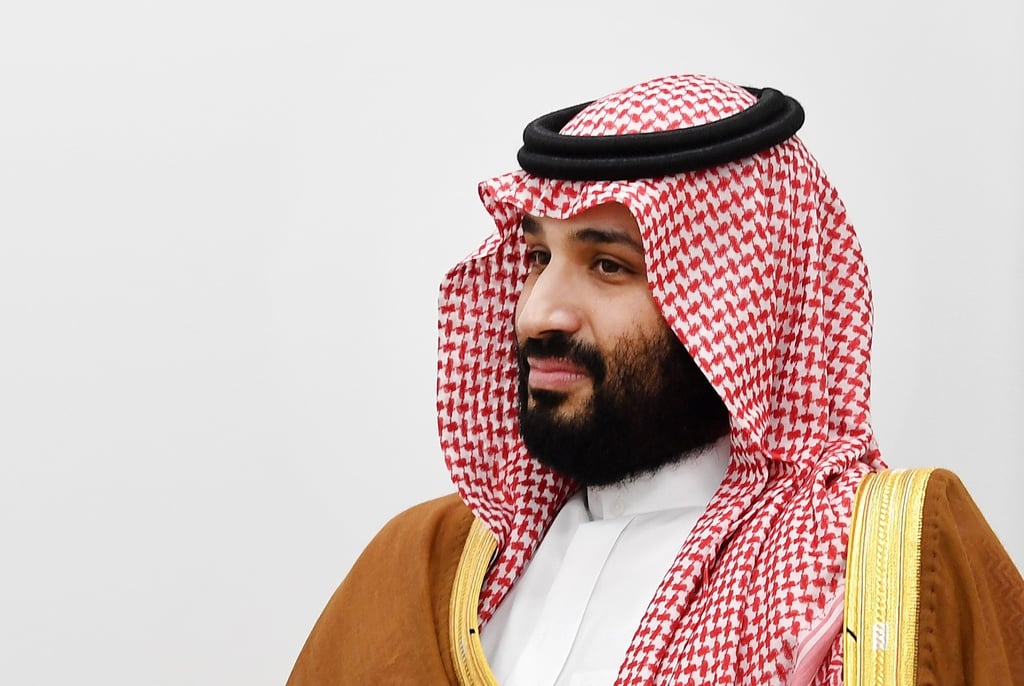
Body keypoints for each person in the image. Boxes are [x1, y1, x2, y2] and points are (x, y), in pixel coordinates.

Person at [285, 74, 1024, 685]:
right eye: (538, 258)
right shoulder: (422, 565)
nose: (538, 312)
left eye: (608, 265)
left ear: (735, 302)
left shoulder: (879, 560)